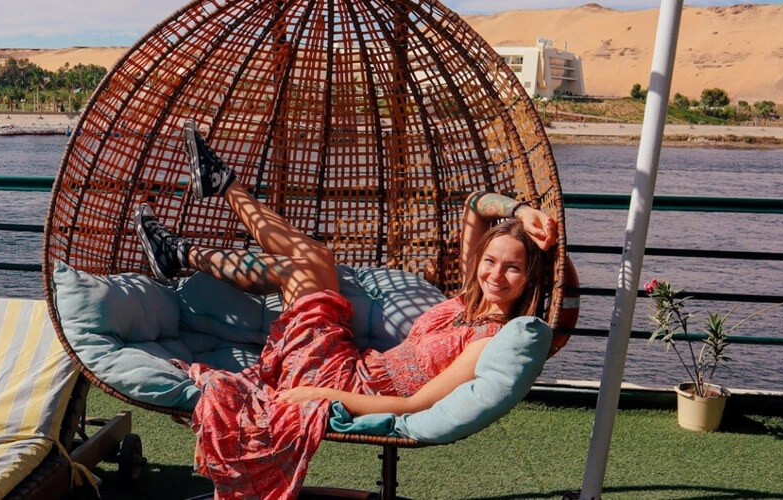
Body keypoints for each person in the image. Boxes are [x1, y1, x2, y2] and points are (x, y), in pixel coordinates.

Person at [133, 120, 559, 499]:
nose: (496, 275)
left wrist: (314, 394)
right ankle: (199, 221)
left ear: (529, 277)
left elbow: (411, 406)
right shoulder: (468, 299)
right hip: (347, 360)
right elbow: (473, 205)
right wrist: (519, 211)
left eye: (513, 268)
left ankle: (200, 222)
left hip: (344, 385)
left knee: (306, 263)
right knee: (309, 260)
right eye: (490, 261)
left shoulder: (489, 340)